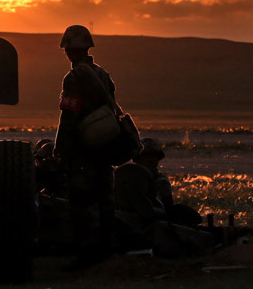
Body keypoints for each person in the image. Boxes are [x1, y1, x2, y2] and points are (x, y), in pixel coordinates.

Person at [53, 25, 116, 269]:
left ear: (68, 51)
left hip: (83, 148)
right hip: (104, 145)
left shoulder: (74, 77)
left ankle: (87, 254)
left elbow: (69, 115)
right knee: (105, 199)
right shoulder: (103, 74)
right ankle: (107, 250)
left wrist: (61, 150)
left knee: (82, 200)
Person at [114, 137, 212, 255]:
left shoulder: (160, 181)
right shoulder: (129, 177)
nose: (151, 160)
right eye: (147, 157)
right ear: (138, 159)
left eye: (154, 157)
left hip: (152, 220)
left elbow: (164, 209)